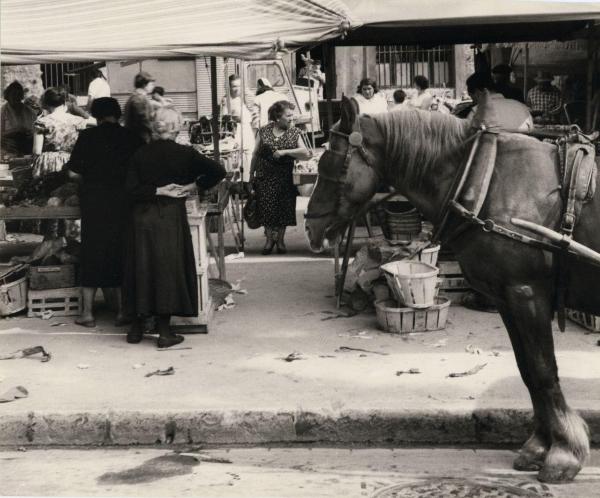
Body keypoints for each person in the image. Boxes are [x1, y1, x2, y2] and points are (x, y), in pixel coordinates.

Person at [123, 107, 226, 347]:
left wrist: (156, 189)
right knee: (167, 270)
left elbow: (128, 190)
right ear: (176, 128)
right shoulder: (185, 153)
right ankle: (164, 332)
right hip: (169, 217)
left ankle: (136, 329)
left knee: (141, 268)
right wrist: (193, 186)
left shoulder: (140, 154)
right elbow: (218, 171)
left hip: (140, 217)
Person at [66, 98, 143, 328]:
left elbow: (72, 174)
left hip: (94, 202)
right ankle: (122, 312)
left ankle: (87, 313)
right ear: (117, 114)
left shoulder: (87, 137)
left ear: (96, 115)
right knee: (120, 251)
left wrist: (89, 180)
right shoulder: (131, 138)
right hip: (123, 202)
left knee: (93, 252)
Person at [249, 100, 311, 255]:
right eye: (288, 115)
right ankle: (269, 241)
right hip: (265, 176)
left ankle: (281, 241)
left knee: (284, 209)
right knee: (266, 208)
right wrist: (251, 174)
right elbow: (255, 153)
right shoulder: (263, 131)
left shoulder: (294, 132)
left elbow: (305, 153)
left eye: (292, 115)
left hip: (285, 176)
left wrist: (285, 152)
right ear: (277, 117)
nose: (292, 118)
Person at [32, 87, 91, 177]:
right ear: (64, 102)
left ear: (46, 103)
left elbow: (37, 151)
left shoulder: (42, 122)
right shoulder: (78, 121)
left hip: (47, 163)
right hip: (70, 162)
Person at [466, 71, 533, 132]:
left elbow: (469, 137)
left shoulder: (476, 112)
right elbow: (532, 132)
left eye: (472, 97)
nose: (473, 102)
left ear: (478, 93)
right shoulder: (522, 108)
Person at [221, 74, 255, 183]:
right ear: (229, 87)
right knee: (237, 159)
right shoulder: (226, 100)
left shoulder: (243, 98)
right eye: (234, 86)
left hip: (247, 131)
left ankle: (248, 182)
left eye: (239, 86)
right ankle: (238, 185)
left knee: (249, 157)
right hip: (236, 131)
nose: (237, 89)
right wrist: (235, 118)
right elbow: (224, 118)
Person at [0, 81, 37, 156]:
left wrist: (29, 132)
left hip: (27, 146)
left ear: (21, 96)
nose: (16, 97)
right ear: (8, 96)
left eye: (18, 95)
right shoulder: (3, 111)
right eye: (13, 95)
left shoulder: (30, 112)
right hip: (8, 148)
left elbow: (35, 130)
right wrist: (15, 131)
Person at [124, 71, 155, 143]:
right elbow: (143, 120)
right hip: (140, 138)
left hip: (135, 137)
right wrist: (154, 132)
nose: (153, 86)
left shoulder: (134, 97)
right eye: (152, 84)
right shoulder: (139, 99)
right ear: (144, 84)